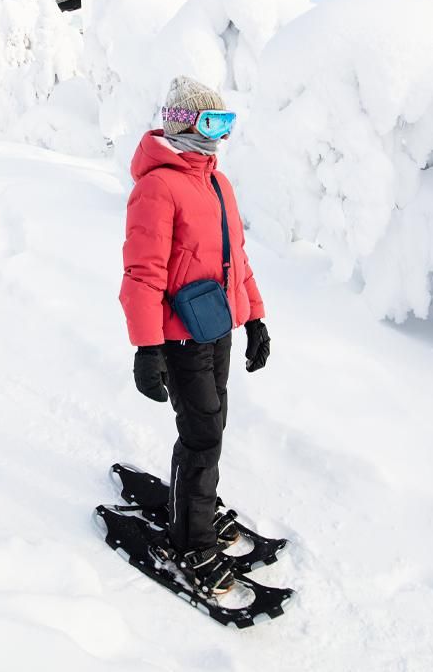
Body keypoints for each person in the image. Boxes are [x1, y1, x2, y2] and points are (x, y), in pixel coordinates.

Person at [118, 76, 272, 596]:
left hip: (217, 327)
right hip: (179, 336)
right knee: (202, 433)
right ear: (183, 123)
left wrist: (254, 318)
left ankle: (197, 506)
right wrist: (147, 347)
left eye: (226, 123)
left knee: (213, 424)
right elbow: (142, 273)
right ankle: (191, 539)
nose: (219, 135)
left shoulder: (217, 182)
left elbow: (237, 260)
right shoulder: (157, 186)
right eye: (211, 123)